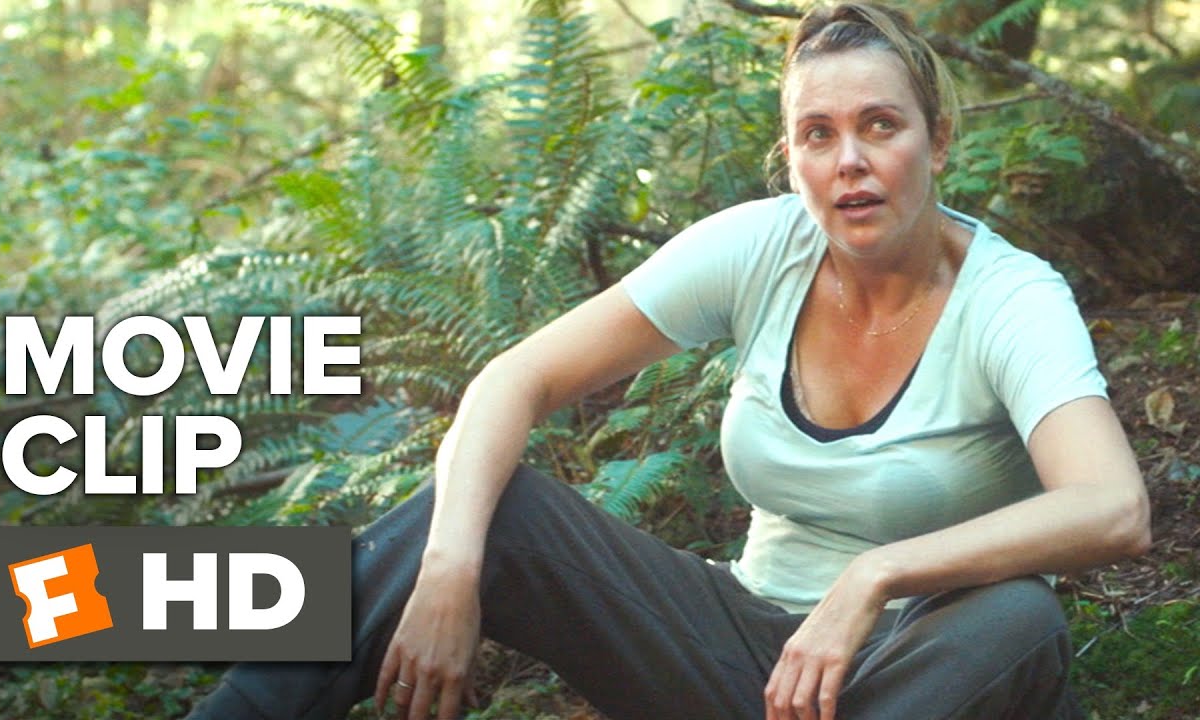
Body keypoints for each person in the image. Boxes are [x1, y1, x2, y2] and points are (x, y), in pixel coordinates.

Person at [187, 3, 1150, 719]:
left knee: (1017, 620)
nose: (848, 161)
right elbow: (515, 379)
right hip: (741, 653)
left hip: (922, 666)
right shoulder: (760, 247)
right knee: (488, 506)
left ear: (937, 139)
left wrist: (876, 578)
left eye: (880, 125)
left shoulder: (1010, 300)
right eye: (818, 134)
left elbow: (1112, 506)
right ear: (791, 156)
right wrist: (451, 568)